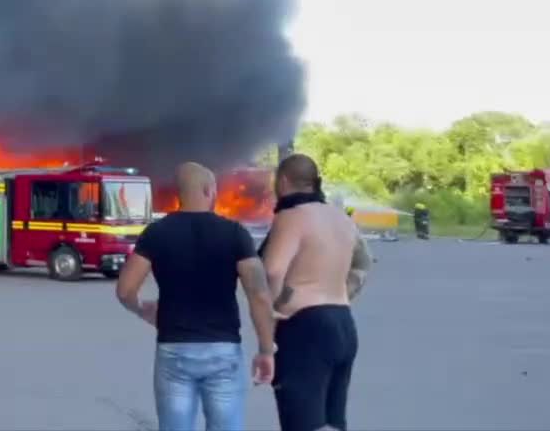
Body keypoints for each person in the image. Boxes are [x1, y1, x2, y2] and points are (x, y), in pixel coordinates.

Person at [116, 162, 276, 431]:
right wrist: (265, 349)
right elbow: (258, 295)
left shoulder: (157, 233)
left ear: (179, 194)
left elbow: (124, 290)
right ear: (208, 190)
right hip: (223, 350)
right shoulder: (235, 234)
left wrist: (141, 309)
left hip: (174, 350)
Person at [261, 154, 371, 431]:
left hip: (304, 328)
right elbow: (364, 262)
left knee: (301, 423)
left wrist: (275, 308)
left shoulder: (291, 217)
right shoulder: (340, 218)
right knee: (333, 422)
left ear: (283, 181)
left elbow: (272, 271)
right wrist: (342, 292)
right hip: (343, 323)